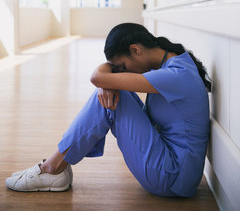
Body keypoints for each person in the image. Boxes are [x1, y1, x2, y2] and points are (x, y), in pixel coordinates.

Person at [6, 23, 211, 197]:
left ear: (136, 50)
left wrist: (107, 82)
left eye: (122, 65)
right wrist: (109, 82)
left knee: (110, 98)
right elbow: (105, 78)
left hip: (173, 177)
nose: (122, 71)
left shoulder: (175, 75)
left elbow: (97, 77)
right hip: (175, 169)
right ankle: (56, 167)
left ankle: (52, 168)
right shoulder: (173, 62)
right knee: (112, 92)